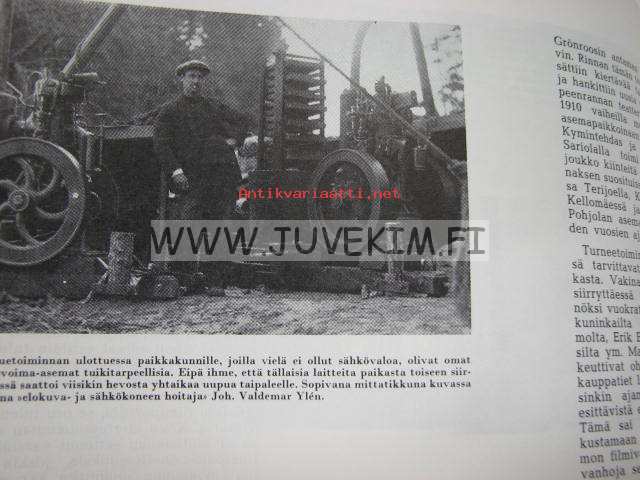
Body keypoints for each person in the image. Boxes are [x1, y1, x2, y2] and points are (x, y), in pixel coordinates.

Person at [153, 60, 244, 281]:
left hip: (221, 177)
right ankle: (182, 278)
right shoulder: (170, 110)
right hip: (192, 178)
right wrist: (176, 171)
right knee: (188, 224)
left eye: (200, 77)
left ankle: (214, 281)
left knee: (220, 226)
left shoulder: (213, 106)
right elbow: (161, 144)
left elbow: (242, 120)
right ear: (181, 79)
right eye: (191, 76)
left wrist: (234, 140)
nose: (196, 81)